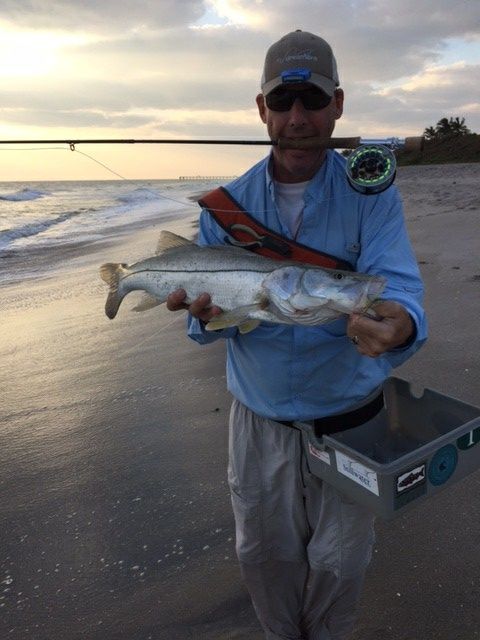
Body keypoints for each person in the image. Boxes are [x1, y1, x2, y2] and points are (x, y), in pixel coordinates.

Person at [167, 30, 427, 640]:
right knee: (263, 557)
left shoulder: (372, 196)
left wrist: (403, 324)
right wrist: (201, 316)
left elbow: (397, 282)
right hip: (259, 424)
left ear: (338, 104)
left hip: (352, 416)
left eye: (311, 100)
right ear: (262, 110)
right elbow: (202, 323)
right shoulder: (223, 211)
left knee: (341, 564)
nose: (298, 118)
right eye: (282, 103)